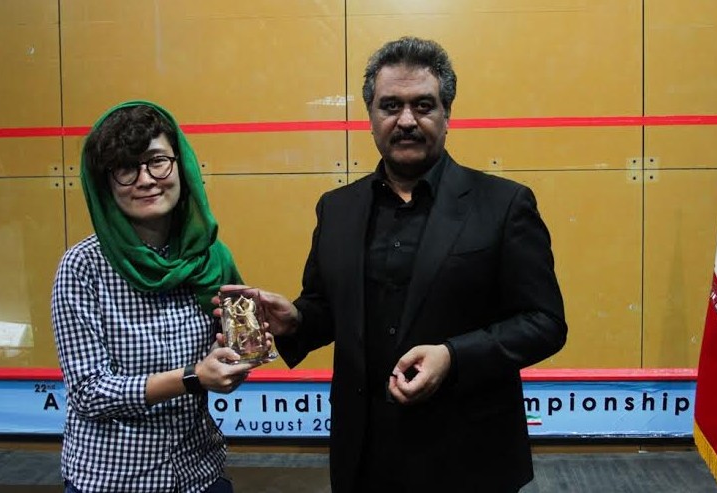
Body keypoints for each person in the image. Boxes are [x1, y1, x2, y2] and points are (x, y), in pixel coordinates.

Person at [237, 37, 568, 492]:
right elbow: (327, 308)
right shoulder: (336, 208)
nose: (407, 120)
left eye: (423, 105)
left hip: (468, 457)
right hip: (364, 455)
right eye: (390, 106)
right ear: (371, 116)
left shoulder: (504, 204)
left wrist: (453, 356)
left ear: (447, 114)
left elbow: (544, 322)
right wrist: (295, 320)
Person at [52, 101, 258, 493]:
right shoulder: (82, 267)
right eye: (125, 168)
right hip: (113, 481)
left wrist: (240, 359)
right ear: (105, 184)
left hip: (199, 473)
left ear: (182, 165)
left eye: (157, 161)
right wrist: (193, 377)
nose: (146, 180)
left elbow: (241, 350)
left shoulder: (212, 257)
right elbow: (89, 393)